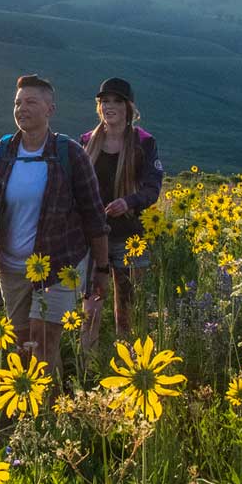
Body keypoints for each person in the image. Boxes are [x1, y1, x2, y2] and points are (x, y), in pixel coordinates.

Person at [0, 74, 110, 384]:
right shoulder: (2, 153)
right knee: (22, 348)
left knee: (44, 341)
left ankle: (50, 418)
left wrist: (101, 269)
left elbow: (94, 215)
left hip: (59, 265)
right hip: (11, 267)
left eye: (31, 102)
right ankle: (31, 415)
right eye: (17, 103)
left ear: (50, 109)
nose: (22, 108)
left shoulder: (69, 154)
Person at [79, 77, 164, 342]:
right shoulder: (85, 141)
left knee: (127, 310)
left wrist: (129, 202)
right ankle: (87, 368)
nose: (109, 106)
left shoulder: (144, 142)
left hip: (131, 236)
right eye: (105, 101)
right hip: (93, 237)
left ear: (129, 107)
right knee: (91, 307)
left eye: (116, 101)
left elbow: (153, 188)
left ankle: (127, 362)